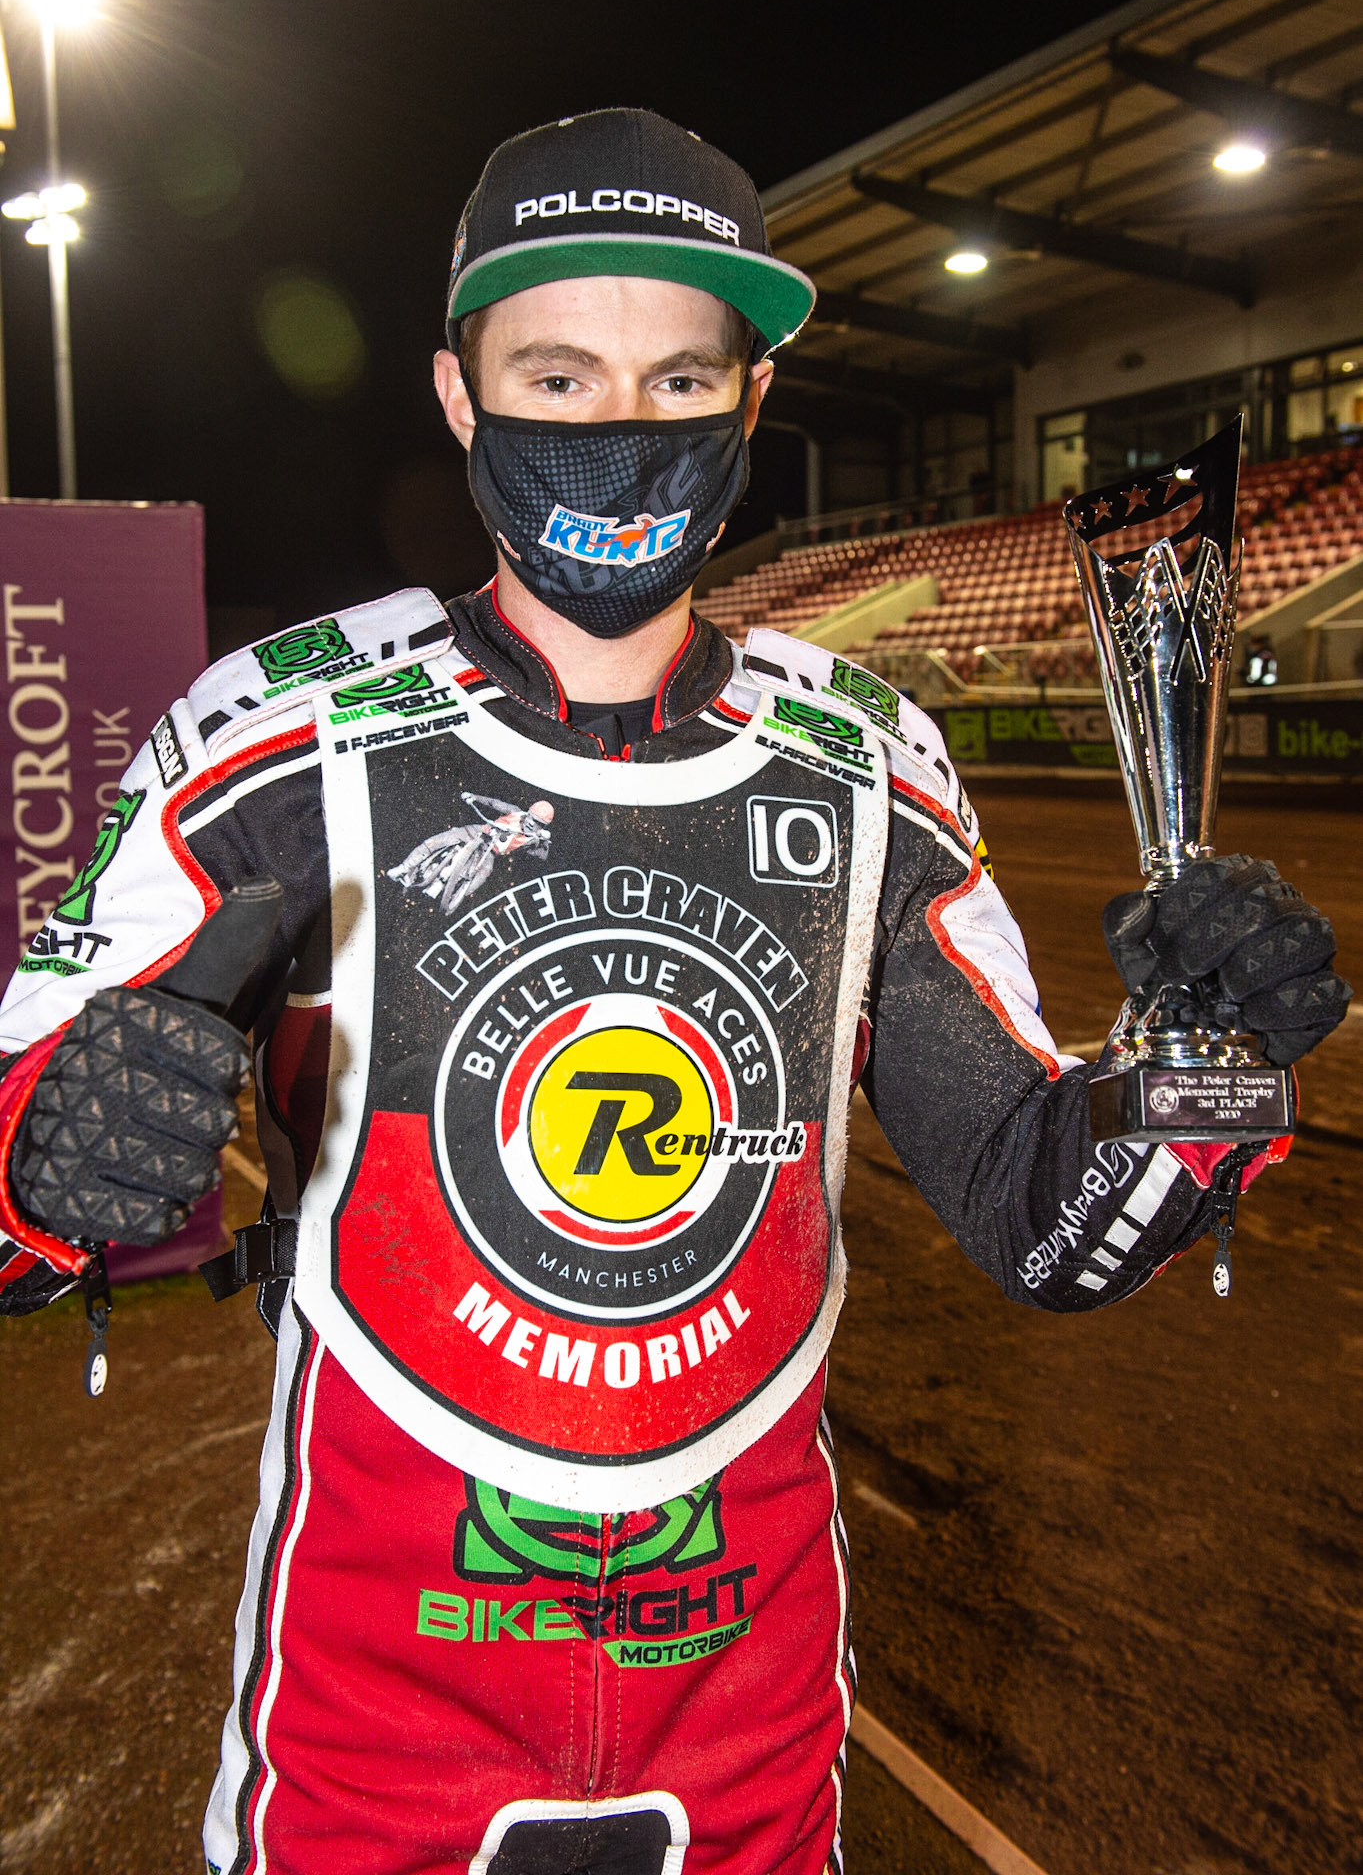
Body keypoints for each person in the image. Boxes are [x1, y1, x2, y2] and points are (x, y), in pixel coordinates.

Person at [0, 109, 1350, 1875]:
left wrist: (1209, 1073)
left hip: (755, 1730)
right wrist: (45, 1174)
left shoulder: (873, 758)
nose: (622, 434)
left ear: (752, 405)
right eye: (558, 376)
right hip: (366, 1735)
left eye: (679, 380)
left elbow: (1042, 1208)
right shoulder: (266, 736)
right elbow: (13, 1174)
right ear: (458, 394)